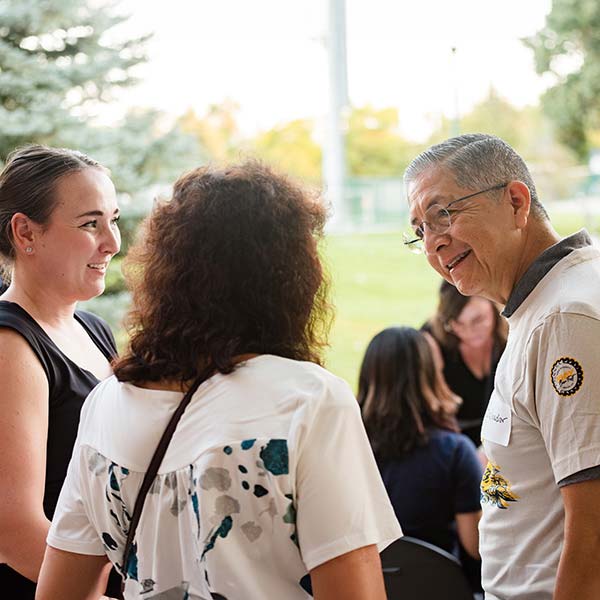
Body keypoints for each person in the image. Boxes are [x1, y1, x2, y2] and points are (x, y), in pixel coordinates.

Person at [36, 161, 402, 600]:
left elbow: (58, 593)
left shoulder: (106, 402)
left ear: (166, 269)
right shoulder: (308, 399)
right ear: (288, 275)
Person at [404, 133, 600, 599]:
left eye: (442, 214)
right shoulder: (543, 306)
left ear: (515, 202)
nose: (433, 243)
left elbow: (594, 532)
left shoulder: (563, 318)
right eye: (420, 230)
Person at [0, 145, 121, 598]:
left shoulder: (93, 329)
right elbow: (13, 531)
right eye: (91, 224)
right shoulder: (9, 344)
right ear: (25, 232)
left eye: (114, 219)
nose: (112, 242)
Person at [358, 326, 481, 562]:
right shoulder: (455, 452)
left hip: (366, 583)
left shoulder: (348, 447)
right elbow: (476, 546)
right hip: (435, 585)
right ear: (431, 374)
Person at [424, 280, 507, 446]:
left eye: (478, 320)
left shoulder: (513, 336)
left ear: (494, 307)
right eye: (458, 324)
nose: (469, 333)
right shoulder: (431, 343)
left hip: (505, 438)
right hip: (453, 445)